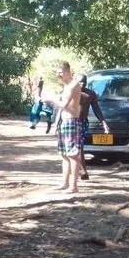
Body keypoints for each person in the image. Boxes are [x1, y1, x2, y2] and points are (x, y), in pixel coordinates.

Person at [41, 61, 83, 193]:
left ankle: (73, 186)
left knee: (73, 154)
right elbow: (62, 107)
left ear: (68, 71)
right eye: (58, 73)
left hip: (72, 121)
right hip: (64, 122)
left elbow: (64, 104)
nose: (59, 75)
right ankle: (65, 183)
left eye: (61, 72)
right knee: (64, 154)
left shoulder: (73, 85)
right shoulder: (66, 86)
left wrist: (51, 99)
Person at [76, 73, 110, 180]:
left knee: (79, 146)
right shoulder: (71, 92)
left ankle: (82, 171)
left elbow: (96, 109)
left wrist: (104, 123)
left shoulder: (90, 94)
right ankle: (80, 170)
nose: (82, 84)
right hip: (72, 122)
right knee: (75, 147)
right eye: (80, 81)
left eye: (84, 82)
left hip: (83, 122)